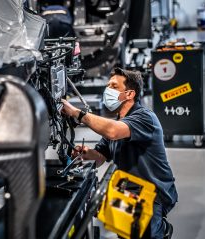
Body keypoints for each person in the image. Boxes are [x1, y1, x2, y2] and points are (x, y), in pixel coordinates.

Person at [61, 67, 178, 239]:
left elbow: (112, 131)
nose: (107, 90)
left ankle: (160, 229)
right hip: (130, 190)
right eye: (108, 86)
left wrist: (77, 113)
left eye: (114, 86)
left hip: (151, 194)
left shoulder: (144, 117)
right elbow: (101, 155)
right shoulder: (119, 121)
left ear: (130, 94)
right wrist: (88, 153)